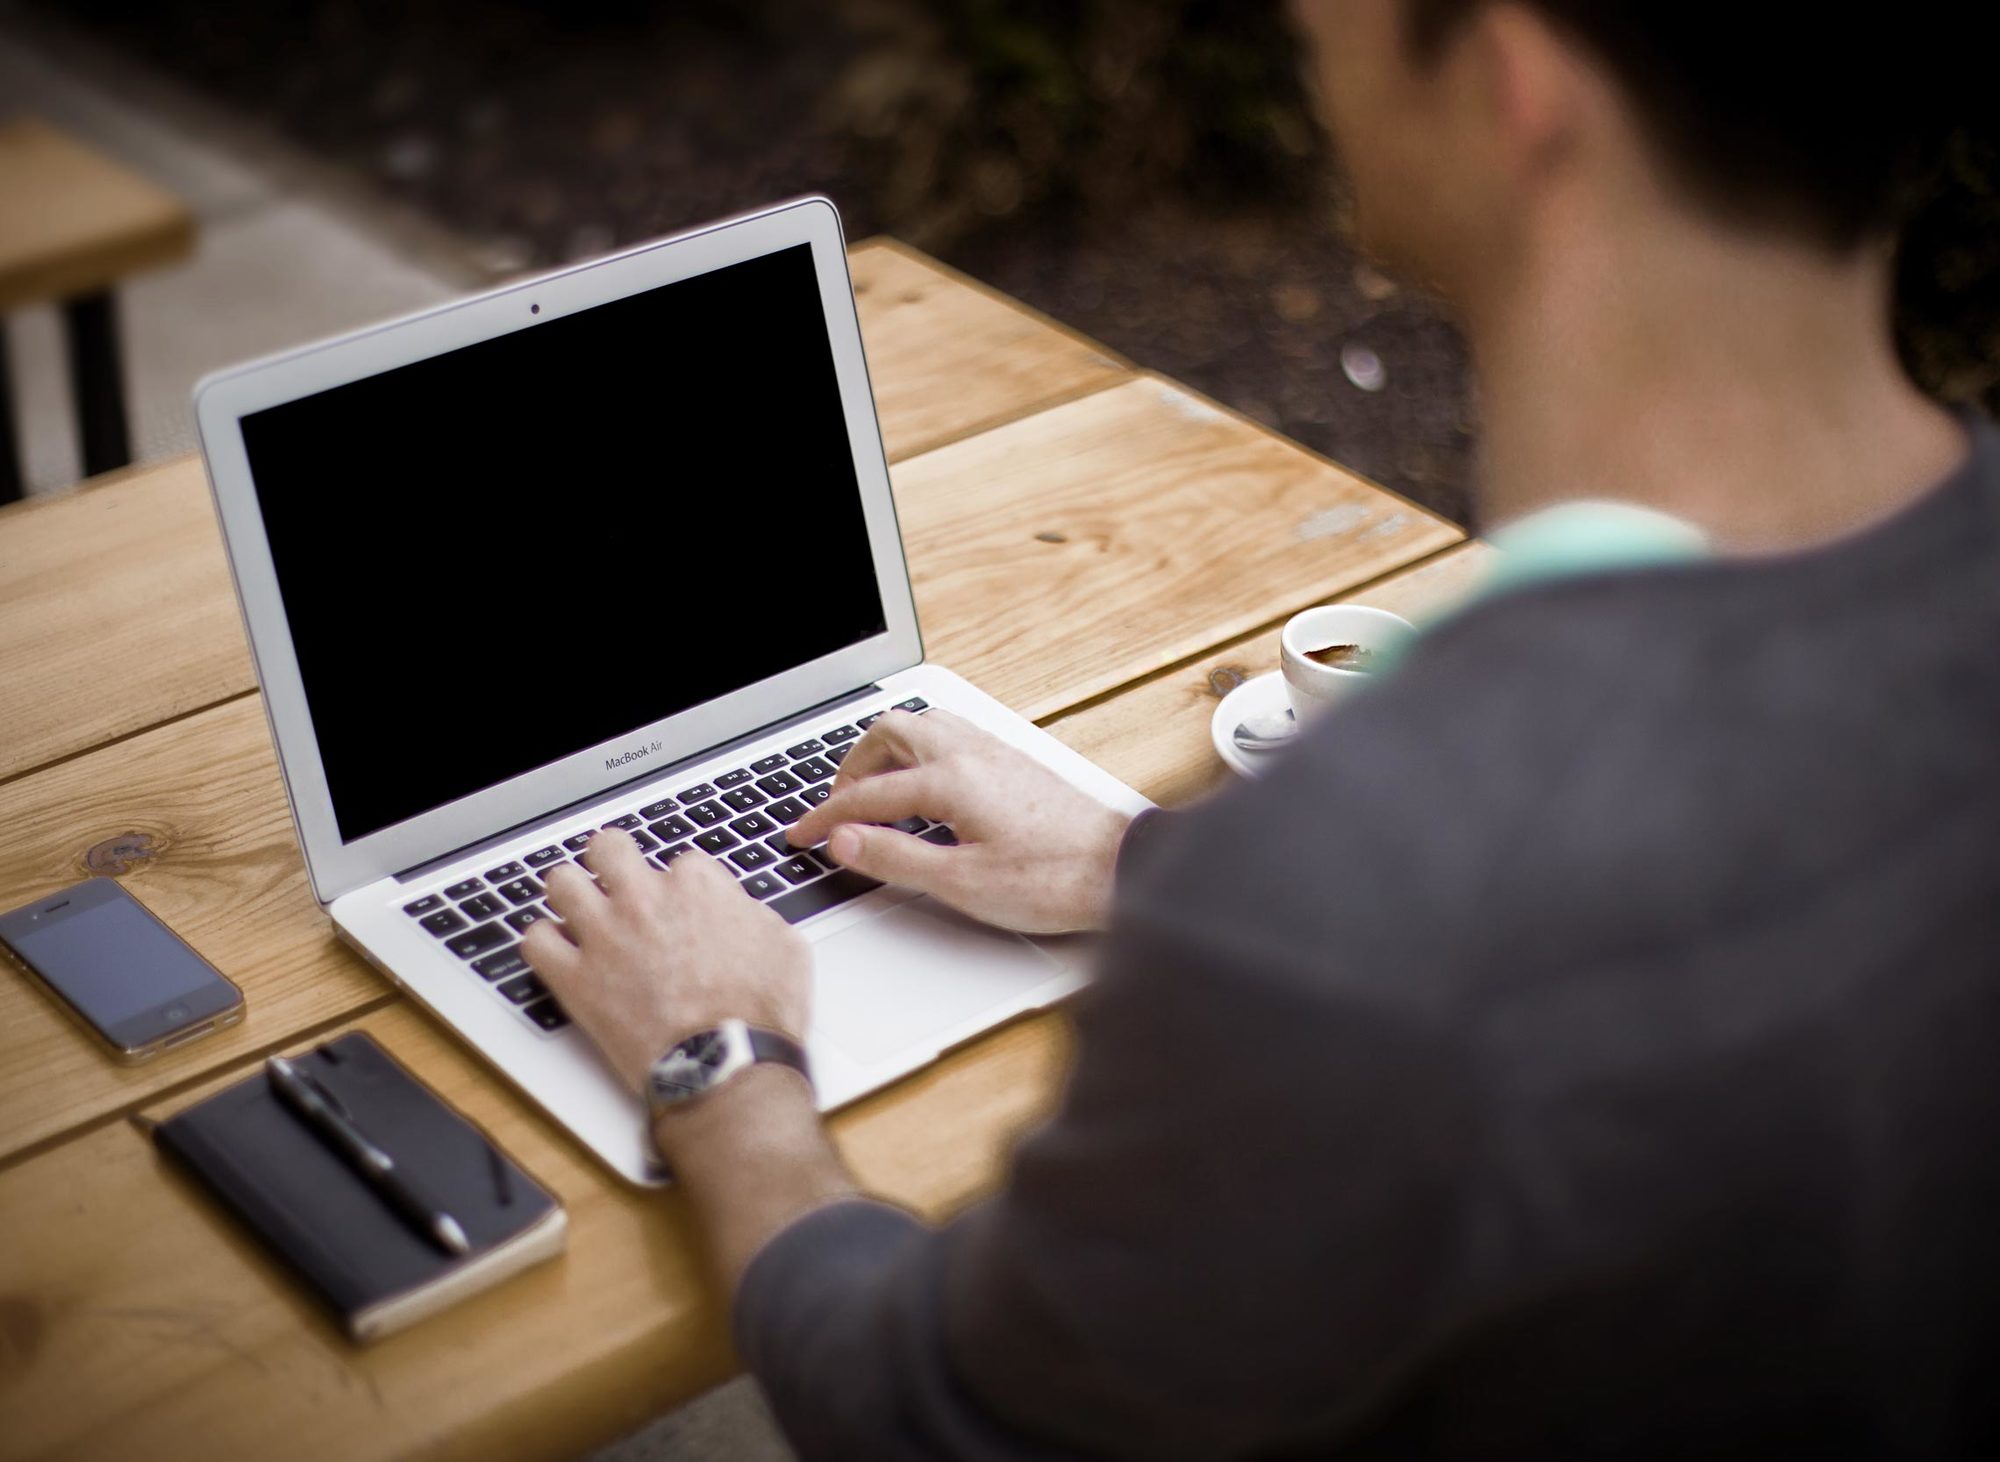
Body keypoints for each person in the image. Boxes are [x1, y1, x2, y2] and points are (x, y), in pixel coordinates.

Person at [522, 2, 2000, 1456]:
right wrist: (1136, 859)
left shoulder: (1370, 887)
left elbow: (928, 1418)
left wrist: (722, 1064)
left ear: (1514, 82)